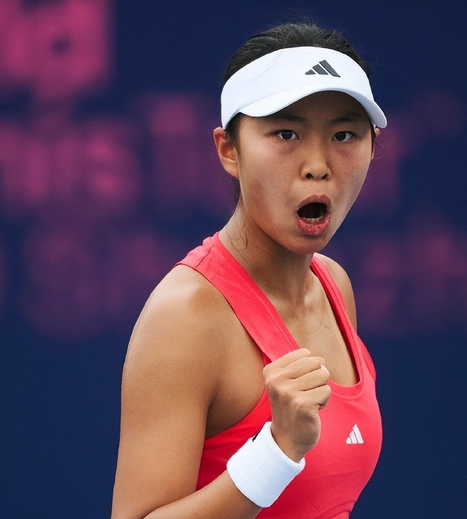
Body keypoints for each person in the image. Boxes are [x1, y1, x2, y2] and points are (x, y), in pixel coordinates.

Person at [111, 21, 387, 519]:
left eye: (344, 134)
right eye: (286, 133)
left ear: (374, 146)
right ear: (229, 150)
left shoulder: (333, 285)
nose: (318, 164)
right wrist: (275, 454)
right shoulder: (187, 315)